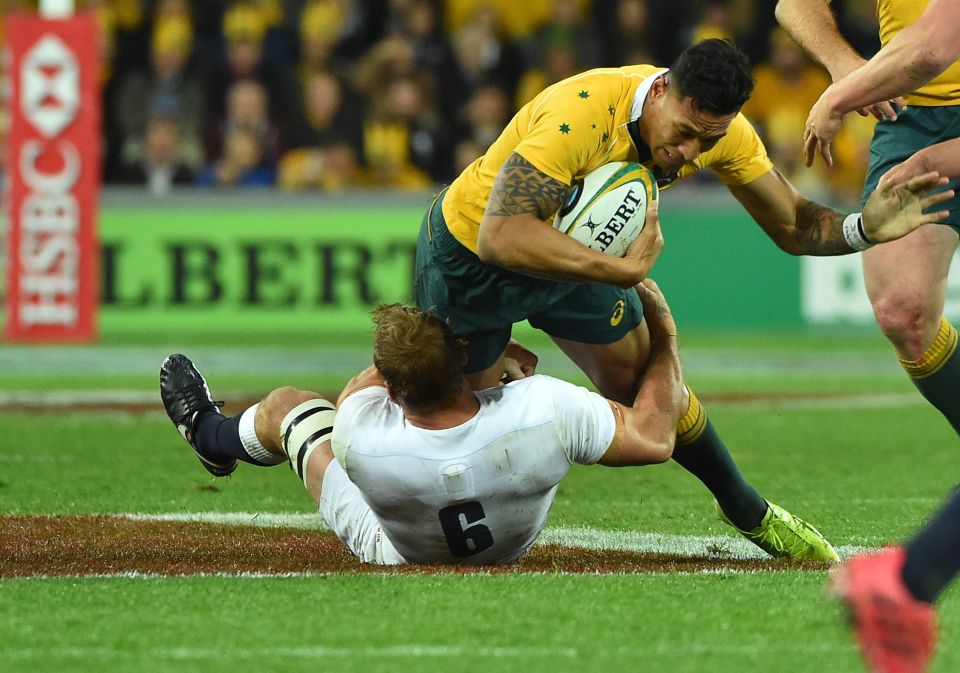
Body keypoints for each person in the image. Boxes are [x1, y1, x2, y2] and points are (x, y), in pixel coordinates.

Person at [414, 38, 951, 562]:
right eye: (686, 132)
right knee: (458, 425)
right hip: (471, 261)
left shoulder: (725, 135)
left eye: (706, 140)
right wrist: (618, 270)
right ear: (662, 89)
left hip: (574, 251)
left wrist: (864, 229)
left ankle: (747, 508)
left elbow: (793, 224)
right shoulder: (581, 113)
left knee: (645, 375)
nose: (689, 152)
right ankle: (332, 433)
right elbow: (501, 236)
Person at [160, 282, 692, 565]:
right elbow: (655, 435)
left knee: (287, 407)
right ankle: (209, 436)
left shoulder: (359, 435)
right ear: (463, 360)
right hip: (510, 543)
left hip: (396, 547)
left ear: (391, 390)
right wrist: (665, 336)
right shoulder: (543, 408)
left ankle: (210, 435)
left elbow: (365, 388)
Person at [776, 1, 960, 671]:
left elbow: (932, 46)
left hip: (925, 122)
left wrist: (839, 95)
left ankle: (905, 583)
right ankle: (905, 585)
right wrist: (847, 64)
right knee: (903, 309)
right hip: (908, 117)